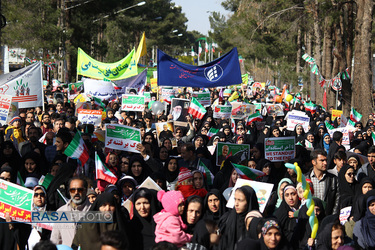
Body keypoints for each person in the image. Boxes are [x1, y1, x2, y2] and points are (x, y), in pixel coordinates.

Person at [50, 177, 91, 246]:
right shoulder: (61, 212)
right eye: (72, 190)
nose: (76, 193)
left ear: (86, 190)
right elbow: (55, 239)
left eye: (80, 190)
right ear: (69, 191)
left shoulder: (95, 210)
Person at [305, 149, 339, 215]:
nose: (325, 163)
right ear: (313, 162)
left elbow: (337, 200)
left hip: (327, 217)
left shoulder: (333, 179)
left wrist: (332, 217)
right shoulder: (305, 178)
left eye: (326, 160)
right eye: (322, 160)